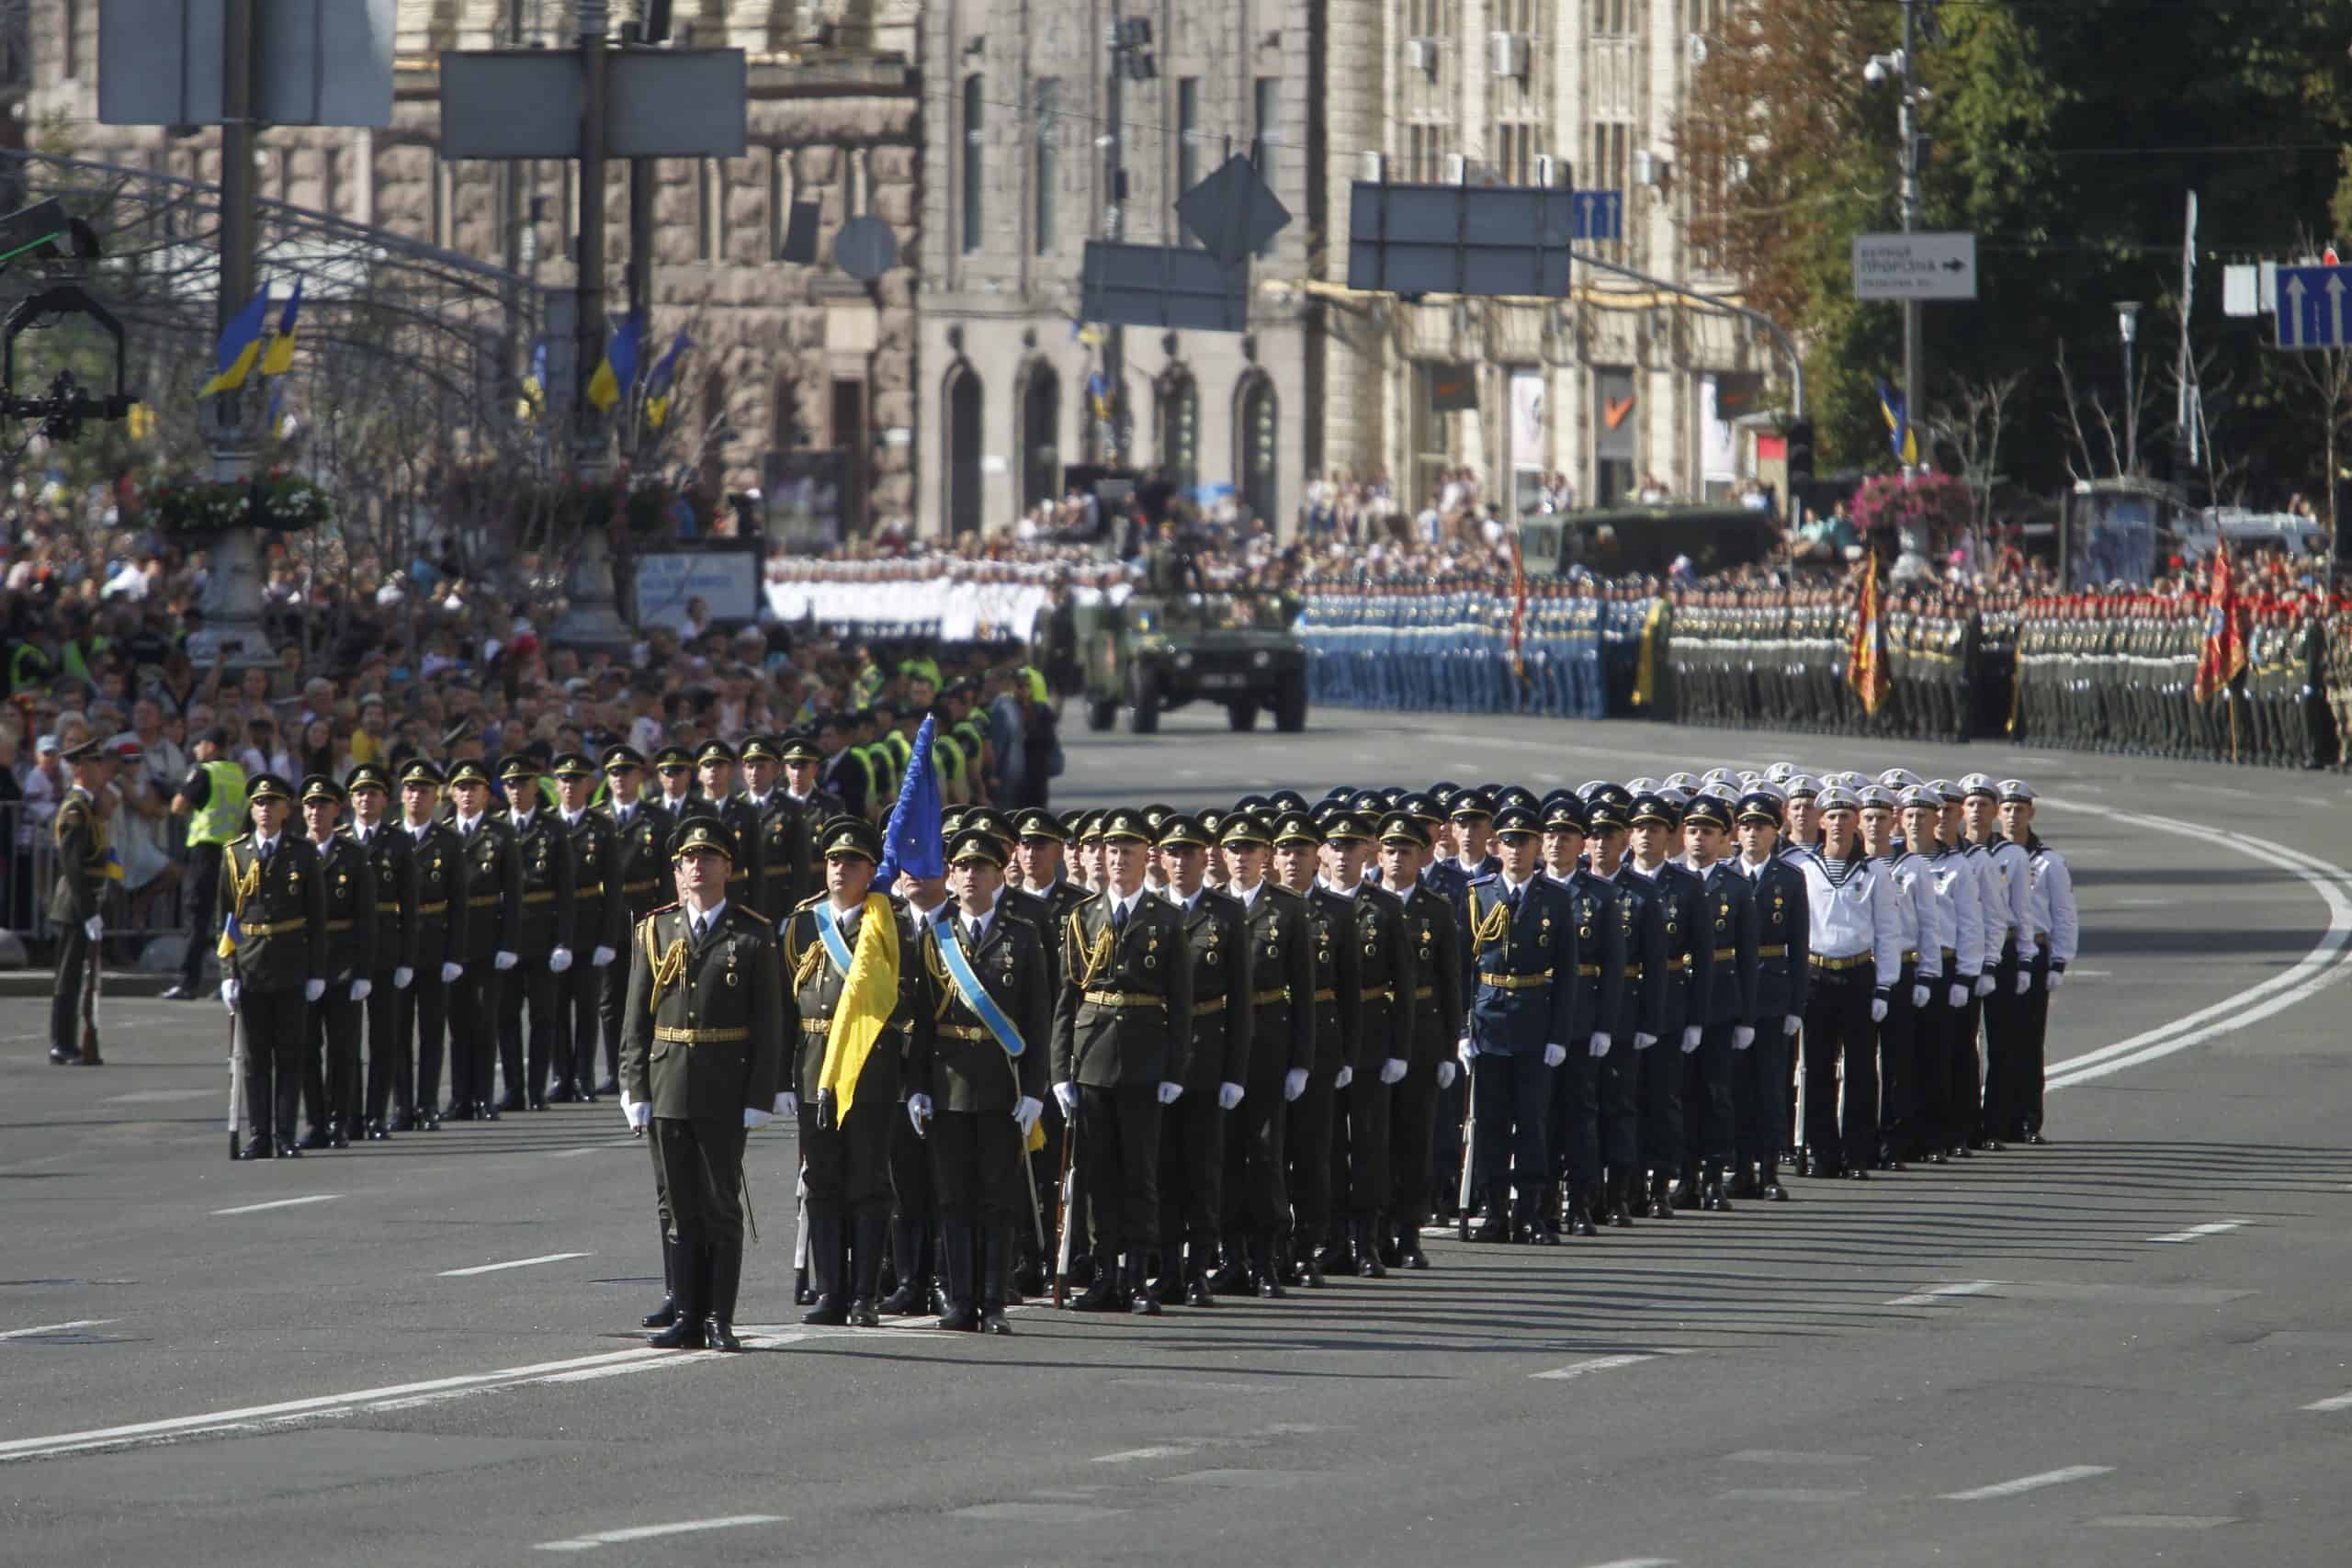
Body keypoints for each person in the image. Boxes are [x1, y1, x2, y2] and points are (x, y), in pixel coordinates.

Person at [618, 815, 786, 1351]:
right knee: (679, 1207)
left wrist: (762, 1093)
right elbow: (635, 1019)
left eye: (708, 857)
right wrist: (634, 1087)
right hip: (668, 1083)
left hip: (723, 1084)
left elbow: (769, 1021)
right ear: (677, 870)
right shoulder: (656, 929)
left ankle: (720, 1318)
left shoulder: (752, 932)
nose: (697, 866)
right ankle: (687, 1314)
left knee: (719, 1205)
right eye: (688, 859)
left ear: (727, 868)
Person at [783, 815, 936, 1328]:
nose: (839, 869)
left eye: (851, 862)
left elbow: (914, 1002)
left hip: (871, 1070)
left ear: (872, 869)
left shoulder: (890, 924)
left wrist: (913, 1080)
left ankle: (865, 1293)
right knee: (821, 1182)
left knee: (868, 1184)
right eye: (832, 860)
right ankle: (831, 1291)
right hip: (815, 1070)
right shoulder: (804, 922)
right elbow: (788, 1002)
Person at [1050, 807, 1194, 1314]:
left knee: (1140, 1174)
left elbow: (1180, 1001)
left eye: (1129, 851)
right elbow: (1068, 1000)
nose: (1119, 860)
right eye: (1112, 851)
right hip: (1091, 1056)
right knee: (1097, 1174)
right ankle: (1104, 1276)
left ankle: (1137, 1278)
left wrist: (1175, 1069)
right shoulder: (1082, 916)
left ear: (1145, 858)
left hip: (1143, 1056)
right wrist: (1059, 1071)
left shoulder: (1166, 919)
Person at [916, 827, 1052, 1333]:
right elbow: (920, 1020)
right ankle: (959, 1299)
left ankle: (993, 1302)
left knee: (997, 1198)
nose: (972, 875)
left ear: (999, 876)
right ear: (950, 877)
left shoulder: (1022, 938)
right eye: (963, 867)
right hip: (948, 1082)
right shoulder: (935, 936)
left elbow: (1039, 1020)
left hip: (1002, 1084)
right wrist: (917, 1087)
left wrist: (1036, 1089)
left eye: (982, 868)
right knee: (952, 1198)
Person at [1459, 805, 1582, 1242]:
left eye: (1524, 841)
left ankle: (1531, 1212)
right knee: (1491, 1123)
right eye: (1508, 841)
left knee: (1532, 1122)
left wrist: (1559, 1035)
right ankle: (1494, 1212)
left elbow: (1567, 972)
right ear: (1498, 846)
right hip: (1490, 1021)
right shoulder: (1478, 894)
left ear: (1536, 846)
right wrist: (1462, 1030)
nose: (1516, 849)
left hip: (1535, 1020)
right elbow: (1463, 968)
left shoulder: (1555, 898)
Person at [1150, 814, 1250, 1306]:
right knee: (1163, 1168)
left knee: (1203, 1169)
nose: (1181, 861)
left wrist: (1235, 1072)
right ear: (1161, 859)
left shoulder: (1226, 914)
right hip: (1157, 1056)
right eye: (1172, 853)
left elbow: (1242, 1000)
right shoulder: (1149, 911)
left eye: (1189, 853)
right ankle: (1167, 1266)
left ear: (1202, 857)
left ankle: (1198, 1270)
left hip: (1208, 1054)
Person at [1791, 786, 1902, 1179]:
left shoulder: (1875, 872)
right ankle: (1822, 1152)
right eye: (1832, 817)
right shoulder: (1804, 870)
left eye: (1846, 816)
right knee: (1816, 1068)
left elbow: (1888, 932)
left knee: (1860, 1069)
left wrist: (1885, 985)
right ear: (1821, 822)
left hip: (1858, 974)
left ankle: (1858, 1153)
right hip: (1816, 974)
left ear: (1858, 822)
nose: (1839, 824)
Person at [219, 773, 329, 1158]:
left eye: (272, 802)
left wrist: (317, 971)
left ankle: (284, 1133)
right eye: (259, 802)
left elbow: (316, 918)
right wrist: (227, 974)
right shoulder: (234, 854)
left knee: (290, 1053)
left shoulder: (302, 854)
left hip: (291, 962)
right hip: (249, 964)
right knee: (255, 1057)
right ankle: (259, 1134)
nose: (264, 809)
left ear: (286, 810)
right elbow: (228, 922)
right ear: (251, 809)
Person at [1729, 791, 1808, 1200]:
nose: (1752, 833)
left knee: (1772, 1085)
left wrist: (1796, 1005)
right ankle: (1740, 1167)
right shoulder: (1725, 876)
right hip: (1732, 992)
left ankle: (1770, 1171)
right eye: (1745, 826)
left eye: (1760, 826)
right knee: (1735, 1085)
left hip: (1773, 991)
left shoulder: (1790, 878)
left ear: (1776, 832)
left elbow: (1799, 944)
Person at [493, 756, 576, 1111]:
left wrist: (564, 940)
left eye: (522, 784)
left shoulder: (553, 829)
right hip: (506, 937)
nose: (515, 791)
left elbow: (566, 890)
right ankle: (513, 1088)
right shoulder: (496, 829)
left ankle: (537, 1088)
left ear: (534, 788)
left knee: (544, 1016)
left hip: (543, 935)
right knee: (506, 1016)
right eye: (510, 784)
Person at [1997, 780, 2076, 1145]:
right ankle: (1996, 1118)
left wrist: (2060, 959)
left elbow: (2063, 913)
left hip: (2037, 950)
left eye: (2020, 809)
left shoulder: (2047, 861)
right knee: (1997, 1040)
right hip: (1998, 949)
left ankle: (2028, 1119)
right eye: (2007, 809)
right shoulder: (1988, 856)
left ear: (2031, 813)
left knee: (2028, 1040)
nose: (2013, 816)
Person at [299, 774, 376, 1150]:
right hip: (302, 963)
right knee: (306, 1049)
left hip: (342, 961)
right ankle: (314, 1120)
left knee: (343, 1050)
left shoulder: (353, 854)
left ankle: (339, 1119)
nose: (316, 812)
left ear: (336, 811)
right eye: (310, 806)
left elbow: (365, 918)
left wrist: (363, 970)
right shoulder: (294, 853)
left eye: (323, 805)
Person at [345, 763, 418, 1143]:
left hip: (387, 948)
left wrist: (407, 959)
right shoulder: (341, 841)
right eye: (358, 793)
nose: (365, 799)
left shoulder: (399, 842)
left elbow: (410, 905)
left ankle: (376, 1114)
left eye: (372, 793)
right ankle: (350, 1114)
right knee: (346, 1039)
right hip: (349, 949)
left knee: (384, 1038)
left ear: (385, 800)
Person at [445, 760, 522, 1122]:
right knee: (458, 1024)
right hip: (452, 942)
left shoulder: (501, 835)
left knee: (486, 1021)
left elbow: (513, 894)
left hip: (488, 938)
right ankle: (460, 1096)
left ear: (485, 794)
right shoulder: (444, 834)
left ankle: (483, 1098)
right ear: (451, 793)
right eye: (461, 788)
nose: (467, 794)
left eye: (474, 788)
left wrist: (508, 943)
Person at [551, 752, 625, 1105]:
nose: (568, 786)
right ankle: (560, 1075)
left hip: (589, 926)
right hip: (552, 931)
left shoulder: (600, 827)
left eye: (575, 780)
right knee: (552, 1008)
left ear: (587, 786)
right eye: (563, 780)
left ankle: (582, 1075)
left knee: (586, 1007)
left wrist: (608, 937)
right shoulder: (548, 825)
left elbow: (612, 888)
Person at [164, 726, 245, 1001]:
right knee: (227, 918)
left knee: (197, 916)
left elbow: (178, 806)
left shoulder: (204, 772)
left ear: (210, 746)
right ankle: (231, 978)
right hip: (233, 852)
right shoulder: (238, 774)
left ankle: (188, 981)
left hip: (206, 852)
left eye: (198, 745)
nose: (196, 750)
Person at [46, 738, 111, 1066]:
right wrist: (87, 912)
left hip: (85, 901)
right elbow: (71, 864)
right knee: (68, 977)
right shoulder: (75, 808)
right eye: (97, 764)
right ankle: (61, 1042)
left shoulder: (87, 805)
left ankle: (69, 1042)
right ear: (82, 769)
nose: (103, 770)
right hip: (74, 903)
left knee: (79, 977)